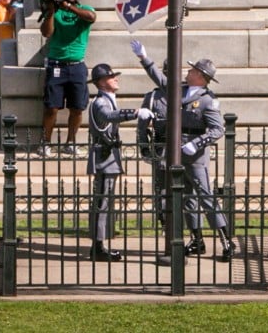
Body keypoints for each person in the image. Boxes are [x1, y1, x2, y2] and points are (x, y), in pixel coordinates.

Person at [134, 40, 235, 261]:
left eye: (191, 70)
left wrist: (197, 143)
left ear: (200, 75)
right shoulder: (181, 90)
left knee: (206, 198)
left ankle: (227, 241)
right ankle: (197, 240)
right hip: (178, 152)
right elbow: (160, 80)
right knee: (189, 199)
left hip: (196, 157)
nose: (187, 72)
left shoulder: (208, 101)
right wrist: (144, 58)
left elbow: (217, 129)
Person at [86, 63, 137, 261]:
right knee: (102, 203)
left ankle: (99, 244)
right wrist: (134, 113)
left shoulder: (108, 99)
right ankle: (98, 247)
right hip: (104, 158)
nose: (116, 79)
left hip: (108, 157)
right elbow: (108, 116)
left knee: (105, 202)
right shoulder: (101, 103)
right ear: (101, 82)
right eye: (111, 77)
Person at [38, 0, 95, 157]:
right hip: (56, 65)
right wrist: (51, 10)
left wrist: (68, 6)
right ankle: (45, 143)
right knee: (51, 108)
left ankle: (70, 142)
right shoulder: (55, 11)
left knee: (77, 108)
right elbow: (46, 33)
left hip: (77, 65)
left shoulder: (83, 8)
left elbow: (91, 17)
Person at [132, 41, 168, 226]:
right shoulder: (153, 97)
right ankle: (163, 221)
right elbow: (142, 127)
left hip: (183, 146)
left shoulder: (186, 94)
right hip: (161, 147)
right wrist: (145, 150)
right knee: (161, 188)